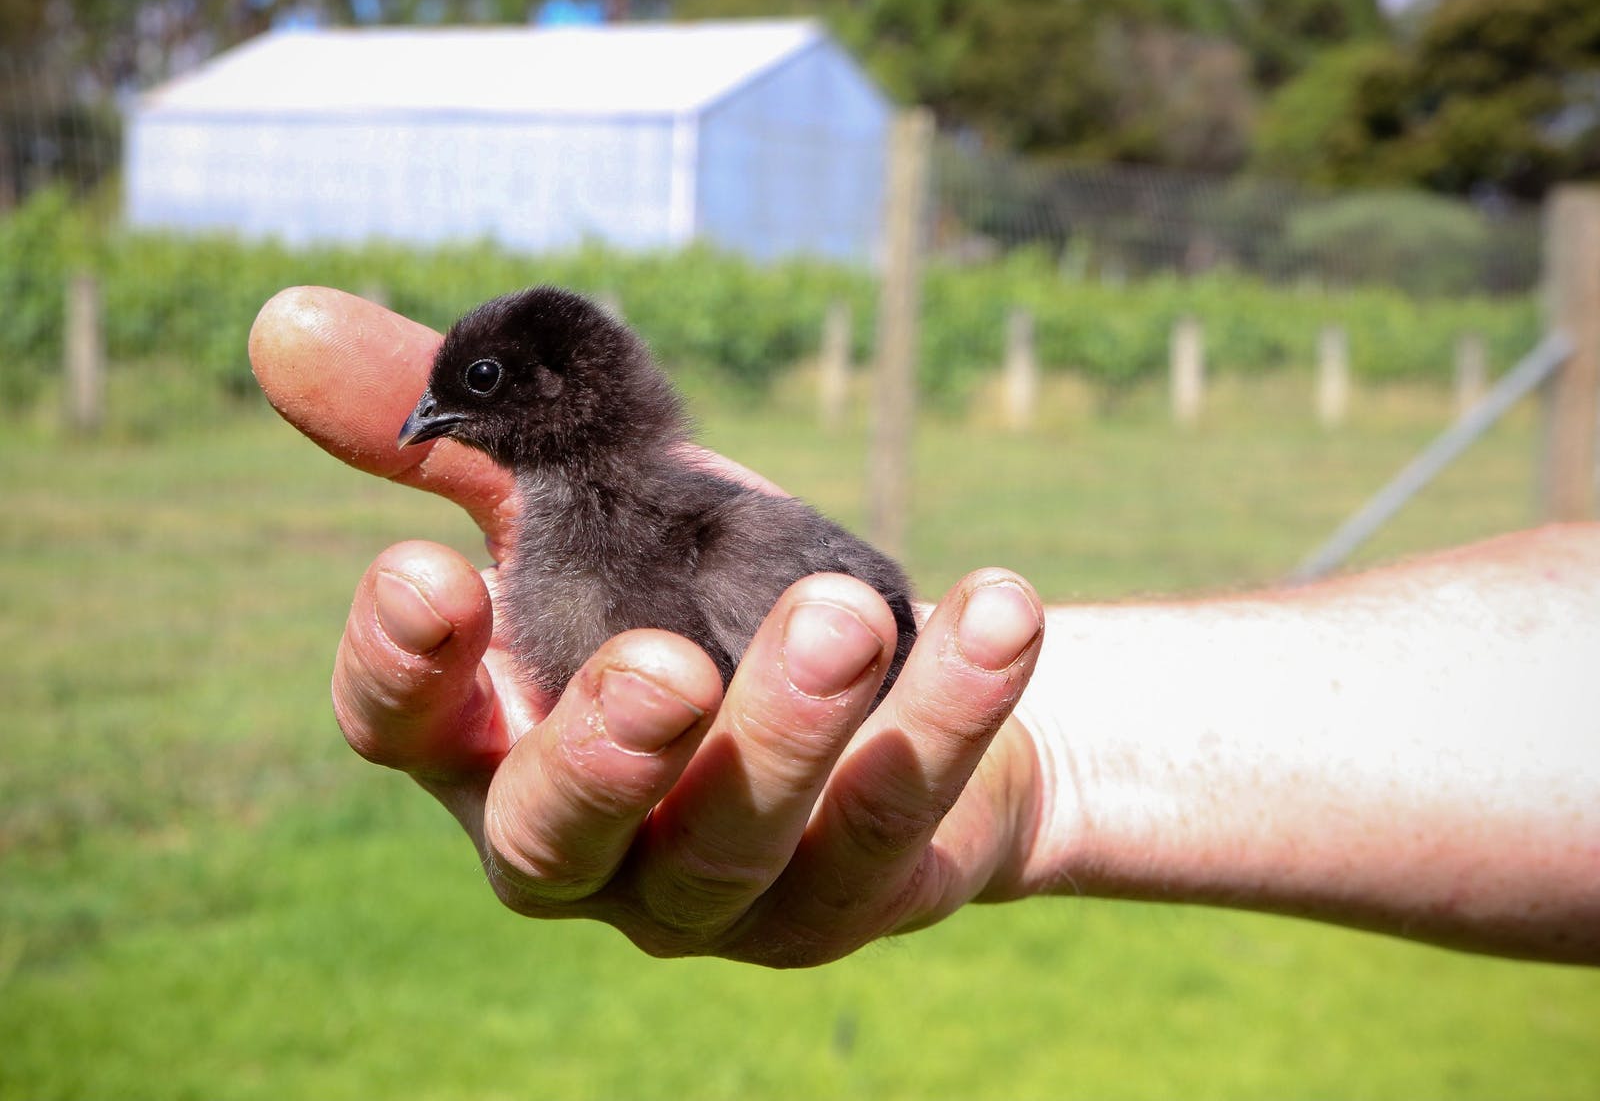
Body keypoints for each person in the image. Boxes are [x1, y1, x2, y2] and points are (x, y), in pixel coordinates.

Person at [249, 285, 1600, 968]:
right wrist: (1031, 759)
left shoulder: (733, 549)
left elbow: (857, 617)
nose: (437, 413)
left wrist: (969, 728)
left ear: (552, 392)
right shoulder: (645, 532)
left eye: (473, 389)